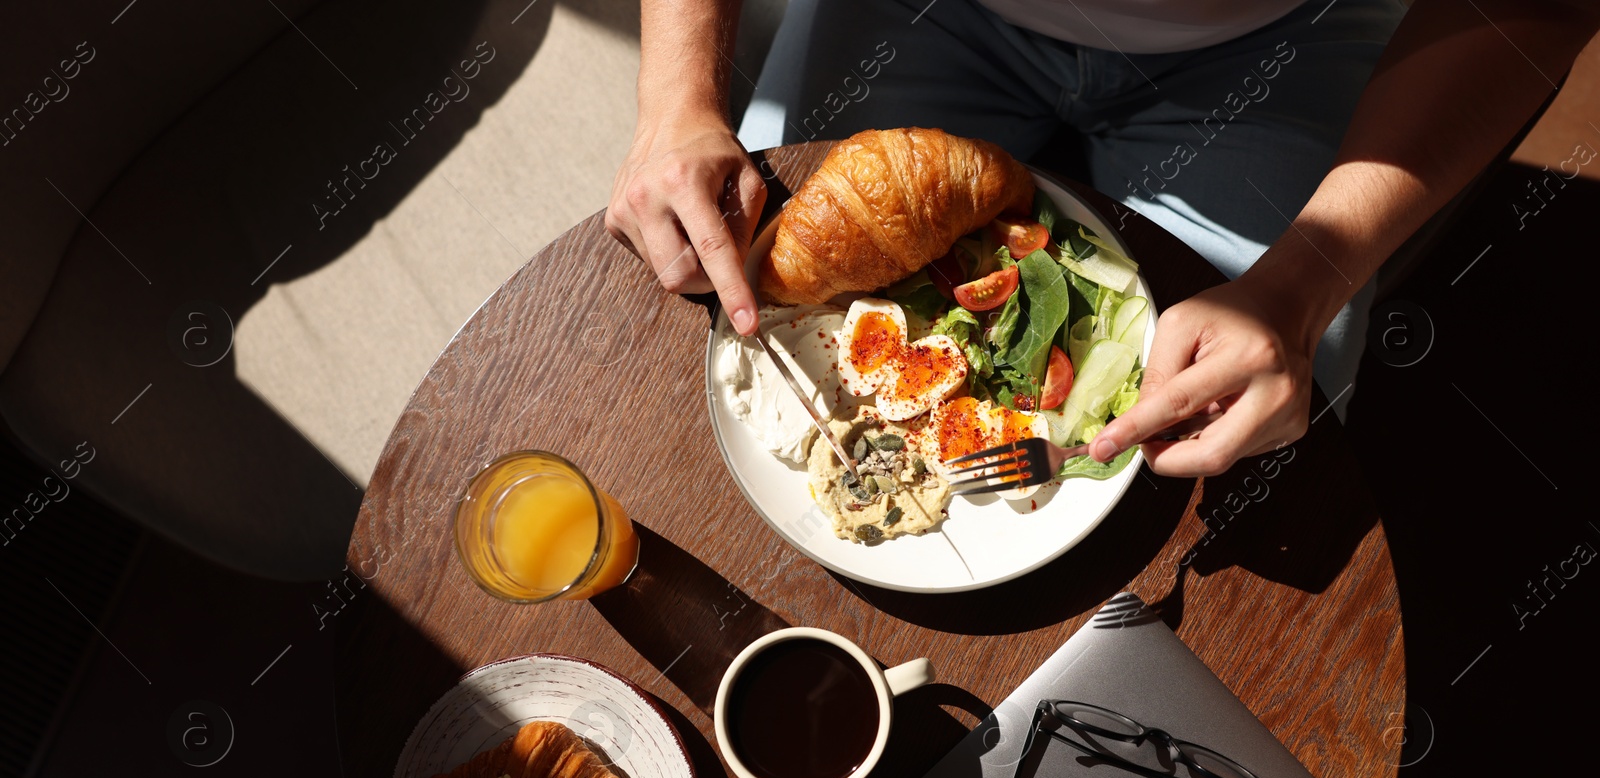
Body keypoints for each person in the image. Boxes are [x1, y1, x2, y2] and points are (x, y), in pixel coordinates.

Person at [606, 0, 1598, 477]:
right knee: (734, 310)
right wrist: (677, 101)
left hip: (1281, 36)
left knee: (1231, 446)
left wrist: (1304, 284)